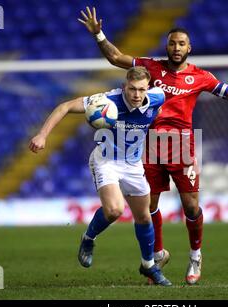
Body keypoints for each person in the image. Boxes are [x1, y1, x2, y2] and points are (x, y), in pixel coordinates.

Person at [79, 7, 228, 285]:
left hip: (180, 144)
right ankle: (157, 254)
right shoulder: (151, 67)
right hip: (149, 144)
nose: (176, 48)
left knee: (190, 206)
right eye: (172, 43)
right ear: (167, 45)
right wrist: (99, 34)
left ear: (190, 47)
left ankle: (195, 255)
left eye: (182, 44)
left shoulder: (201, 77)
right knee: (149, 204)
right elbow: (116, 57)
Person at [29, 66, 172, 286]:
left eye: (141, 89)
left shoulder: (157, 97)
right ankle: (88, 238)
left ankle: (148, 266)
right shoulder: (107, 101)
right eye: (132, 89)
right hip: (106, 161)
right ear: (125, 86)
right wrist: (42, 135)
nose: (136, 94)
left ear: (148, 88)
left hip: (133, 165)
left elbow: (158, 112)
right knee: (115, 210)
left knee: (144, 217)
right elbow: (65, 106)